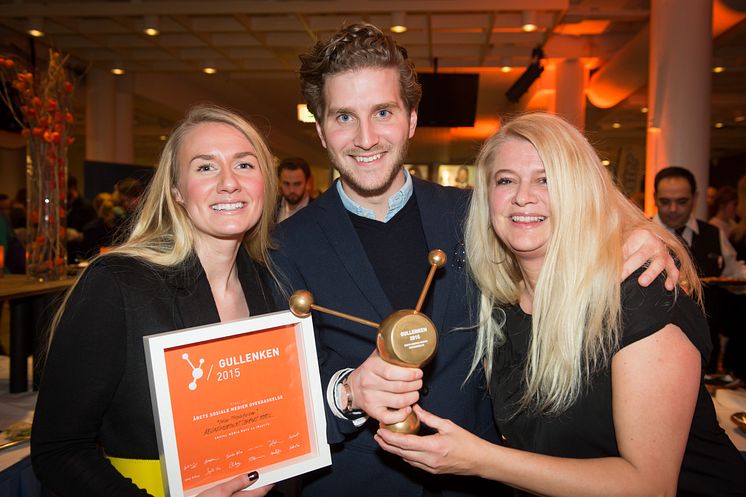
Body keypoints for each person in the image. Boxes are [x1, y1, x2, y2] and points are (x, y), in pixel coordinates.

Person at [271, 23, 678, 497]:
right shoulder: (283, 247)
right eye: (344, 117)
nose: (365, 138)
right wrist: (345, 393)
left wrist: (635, 235)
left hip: (483, 483)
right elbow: (277, 395)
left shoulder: (475, 213)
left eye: (383, 112)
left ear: (411, 120)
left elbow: (563, 224)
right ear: (320, 130)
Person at [374, 112, 746, 496]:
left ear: (579, 190)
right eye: (506, 180)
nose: (522, 196)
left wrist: (481, 460)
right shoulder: (500, 303)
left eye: (546, 179)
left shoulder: (639, 291)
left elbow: (650, 486)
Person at [31, 104, 279, 497]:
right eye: (205, 167)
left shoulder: (271, 286)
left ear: (265, 180)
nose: (229, 182)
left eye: (245, 165)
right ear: (176, 191)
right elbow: (58, 449)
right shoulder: (118, 284)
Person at [653, 166, 746, 372]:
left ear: (694, 199)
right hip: (653, 352)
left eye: (682, 201)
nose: (674, 209)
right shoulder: (640, 234)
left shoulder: (714, 235)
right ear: (655, 198)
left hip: (704, 349)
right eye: (665, 202)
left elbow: (735, 275)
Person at [276, 157, 313, 222]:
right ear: (279, 182)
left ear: (307, 183)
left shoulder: (318, 210)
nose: (292, 190)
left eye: (297, 184)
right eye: (286, 184)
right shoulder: (270, 208)